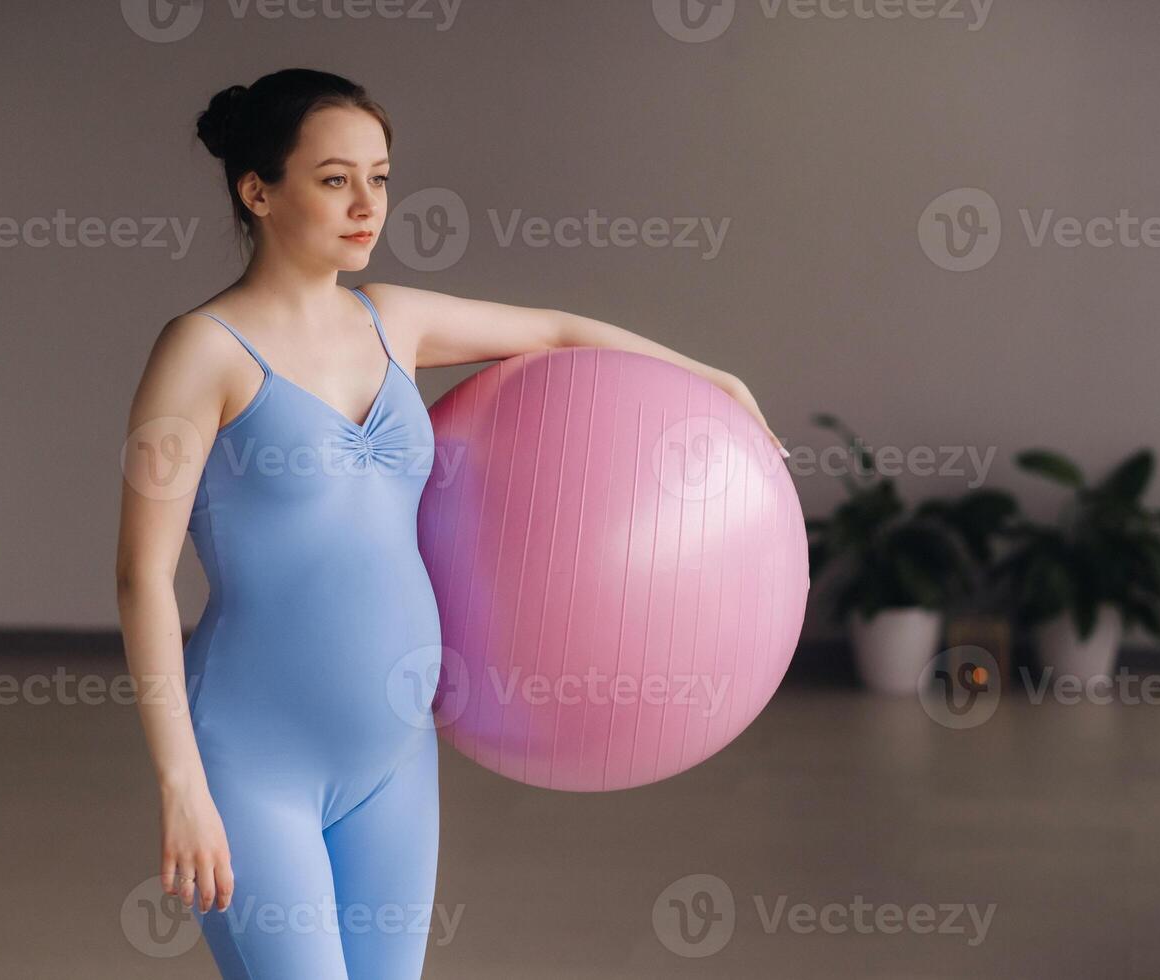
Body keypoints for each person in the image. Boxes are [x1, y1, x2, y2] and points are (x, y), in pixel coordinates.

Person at [114, 67, 782, 979]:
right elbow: (142, 577)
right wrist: (181, 787)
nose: (366, 204)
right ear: (257, 190)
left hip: (394, 755)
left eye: (380, 177)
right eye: (334, 177)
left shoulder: (394, 322)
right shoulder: (201, 351)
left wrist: (715, 381)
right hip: (249, 763)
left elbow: (553, 334)